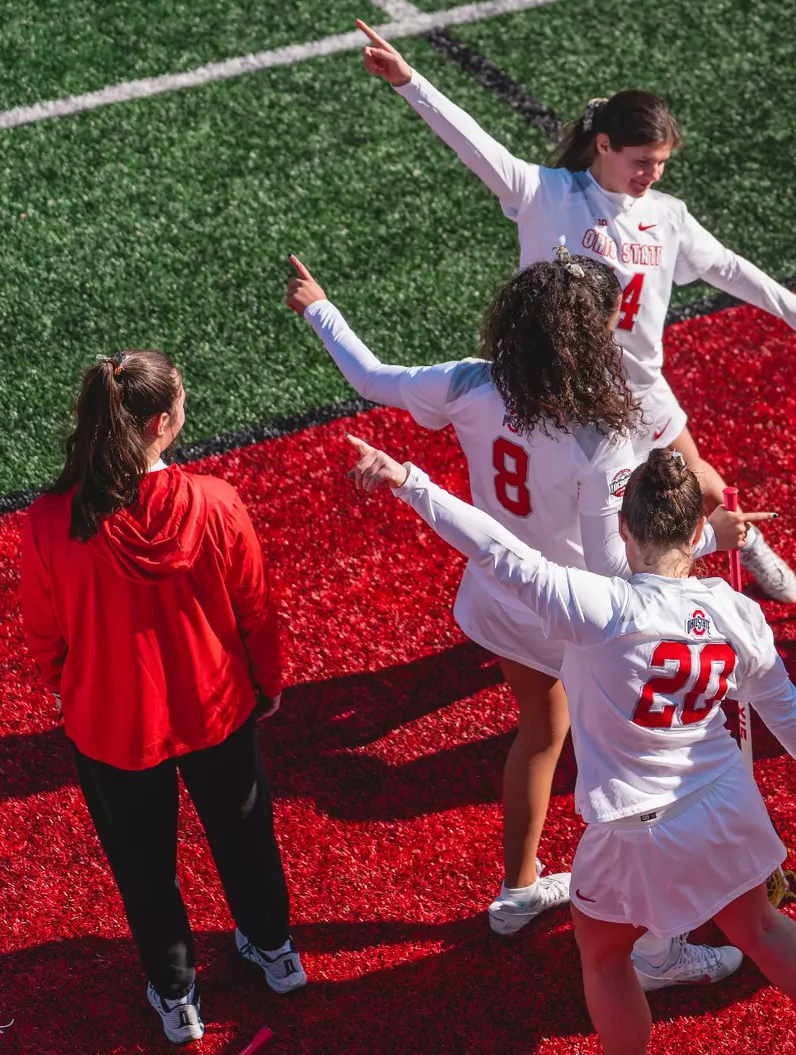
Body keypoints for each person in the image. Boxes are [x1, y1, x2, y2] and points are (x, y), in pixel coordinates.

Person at [284, 253, 764, 990]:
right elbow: (613, 569)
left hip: (497, 597)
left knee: (541, 734)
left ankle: (517, 890)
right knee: (634, 770)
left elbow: (370, 377)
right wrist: (703, 540)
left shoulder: (475, 381)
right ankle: (657, 948)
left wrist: (321, 307)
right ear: (589, 334)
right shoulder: (599, 435)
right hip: (574, 616)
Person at [341, 440, 796, 1055]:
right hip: (725, 802)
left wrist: (409, 479)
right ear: (696, 531)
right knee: (761, 926)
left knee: (604, 954)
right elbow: (779, 699)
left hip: (635, 831)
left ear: (624, 528)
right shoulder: (736, 610)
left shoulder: (594, 606)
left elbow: (496, 550)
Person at [354, 19, 796, 603]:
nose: (651, 176)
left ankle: (742, 540)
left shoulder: (667, 215)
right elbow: (474, 144)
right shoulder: (545, 194)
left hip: (641, 387)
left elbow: (725, 266)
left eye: (660, 164)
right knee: (572, 514)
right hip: (559, 391)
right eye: (641, 161)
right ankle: (572, 601)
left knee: (699, 487)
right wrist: (409, 81)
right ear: (603, 145)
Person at [18, 351, 299, 1046]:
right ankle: (274, 950)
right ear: (161, 423)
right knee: (246, 838)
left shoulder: (51, 521)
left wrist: (74, 685)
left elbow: (43, 637)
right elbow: (256, 610)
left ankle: (177, 996)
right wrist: (269, 682)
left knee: (145, 867)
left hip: (113, 725)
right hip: (217, 708)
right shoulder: (215, 501)